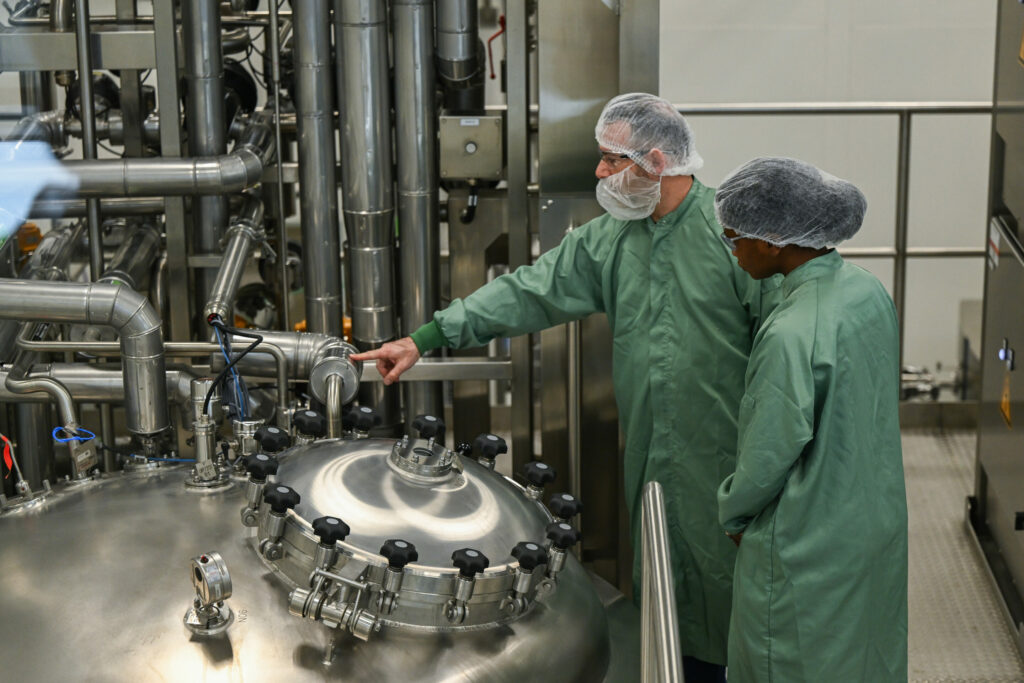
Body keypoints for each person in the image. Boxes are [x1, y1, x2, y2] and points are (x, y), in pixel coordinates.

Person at [351, 93, 779, 682]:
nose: (600, 173)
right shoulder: (613, 239)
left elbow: (783, 349)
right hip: (654, 457)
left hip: (735, 456)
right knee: (668, 588)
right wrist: (426, 337)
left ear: (656, 162)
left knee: (741, 598)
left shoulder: (732, 237)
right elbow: (529, 290)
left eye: (611, 160)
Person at [714, 157, 908, 681]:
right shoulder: (865, 290)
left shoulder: (792, 332)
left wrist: (734, 513)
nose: (733, 252)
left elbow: (769, 451)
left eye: (735, 240)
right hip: (871, 522)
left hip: (807, 544)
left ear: (773, 242)